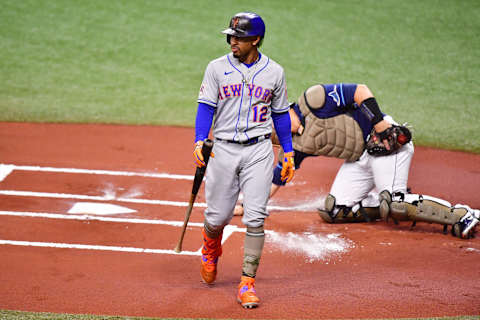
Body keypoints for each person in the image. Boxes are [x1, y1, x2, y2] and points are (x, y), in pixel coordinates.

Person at [235, 83, 479, 239]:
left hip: (384, 144)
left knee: (395, 202)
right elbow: (279, 176)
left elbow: (360, 91)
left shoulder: (314, 100)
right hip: (360, 159)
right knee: (335, 210)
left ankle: (463, 214)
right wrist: (250, 205)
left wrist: (381, 124)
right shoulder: (295, 146)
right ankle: (383, 201)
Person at [193, 12, 295, 309]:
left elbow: (280, 114)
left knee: (255, 217)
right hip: (223, 149)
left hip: (259, 151)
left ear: (256, 40)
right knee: (217, 217)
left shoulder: (274, 72)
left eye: (238, 37)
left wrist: (287, 151)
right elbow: (205, 107)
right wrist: (200, 140)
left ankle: (247, 283)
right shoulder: (216, 68)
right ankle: (210, 249)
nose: (232, 41)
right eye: (230, 36)